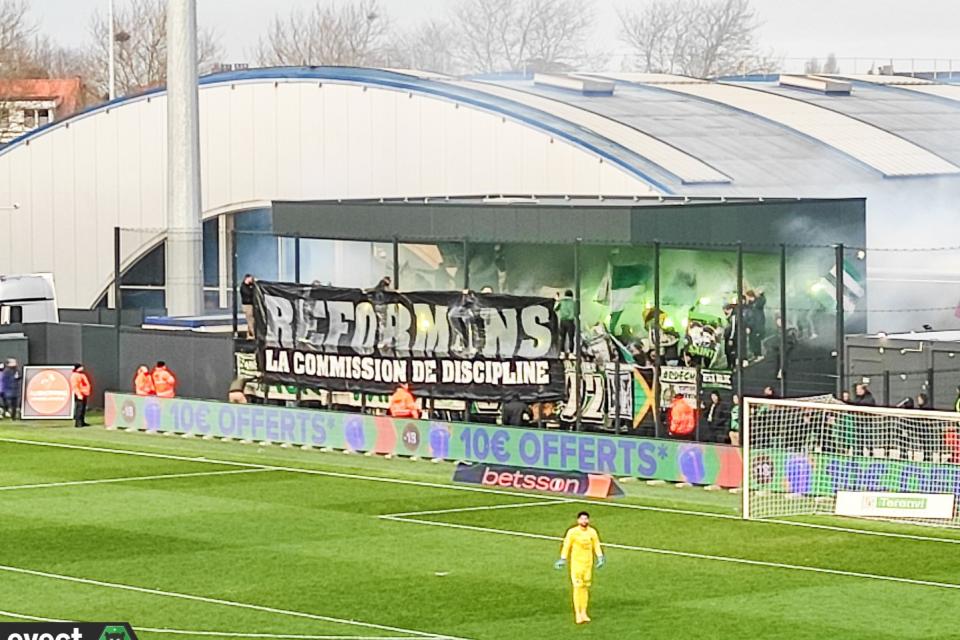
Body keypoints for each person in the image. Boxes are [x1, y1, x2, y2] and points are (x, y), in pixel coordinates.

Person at [554, 511, 605, 625]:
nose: (584, 521)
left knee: (585, 587)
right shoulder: (573, 532)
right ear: (578, 520)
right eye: (582, 519)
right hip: (577, 564)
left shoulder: (592, 532)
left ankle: (584, 612)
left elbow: (596, 544)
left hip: (588, 564)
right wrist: (563, 559)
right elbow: (567, 545)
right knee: (577, 587)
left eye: (586, 519)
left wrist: (600, 557)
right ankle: (577, 613)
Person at [743, 289, 766, 361]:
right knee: (752, 340)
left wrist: (762, 294)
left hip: (757, 325)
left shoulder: (757, 303)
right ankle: (755, 354)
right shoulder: (749, 304)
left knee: (756, 340)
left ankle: (759, 354)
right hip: (752, 325)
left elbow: (763, 300)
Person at [70, 364, 92, 428]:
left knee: (83, 409)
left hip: (84, 393)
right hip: (80, 394)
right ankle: (78, 423)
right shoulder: (75, 376)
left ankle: (82, 421)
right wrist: (79, 394)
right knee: (79, 409)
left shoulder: (81, 375)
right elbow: (75, 386)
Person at [555, 290, 576, 356]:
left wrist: (557, 300)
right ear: (572, 295)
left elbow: (555, 308)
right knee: (571, 338)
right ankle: (571, 352)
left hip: (562, 321)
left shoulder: (561, 302)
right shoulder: (574, 303)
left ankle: (562, 352)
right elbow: (577, 313)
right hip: (570, 321)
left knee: (562, 338)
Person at [240, 274, 256, 339]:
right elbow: (248, 294)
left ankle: (249, 335)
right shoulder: (244, 287)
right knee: (250, 320)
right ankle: (253, 334)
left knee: (252, 320)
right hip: (247, 305)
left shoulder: (250, 286)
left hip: (250, 305)